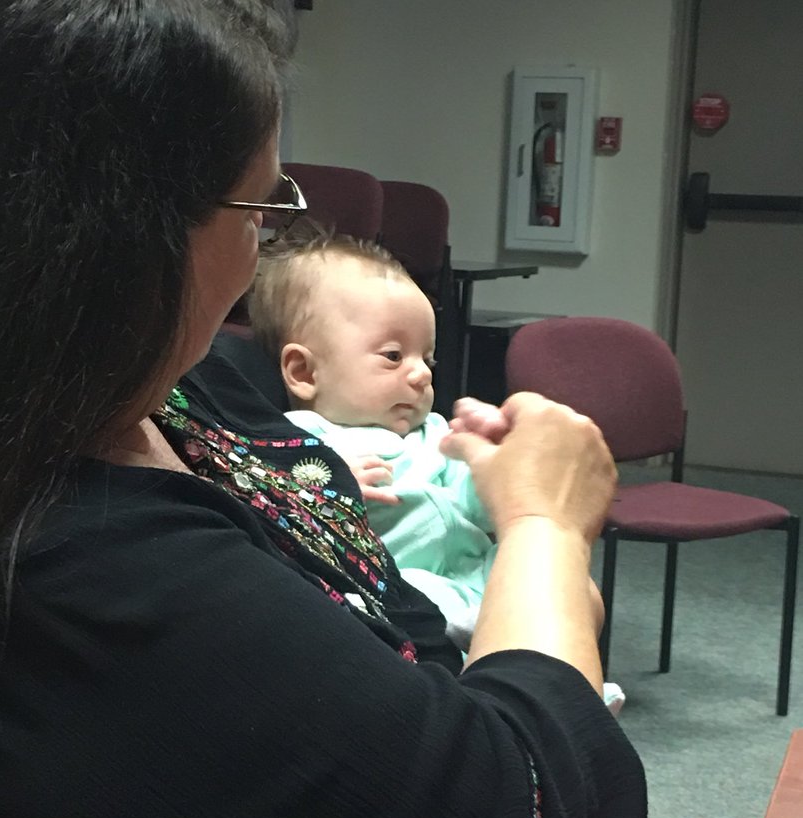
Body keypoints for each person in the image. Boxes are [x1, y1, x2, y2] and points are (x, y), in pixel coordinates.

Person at [0, 3, 727, 818]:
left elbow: (387, 605)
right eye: (259, 209)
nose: (260, 256)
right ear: (117, 235)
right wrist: (546, 525)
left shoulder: (180, 393)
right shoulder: (67, 580)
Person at [250, 235, 625, 709]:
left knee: (544, 575)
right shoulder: (301, 436)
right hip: (404, 578)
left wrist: (493, 463)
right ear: (304, 372)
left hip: (469, 565)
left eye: (426, 358)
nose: (422, 374)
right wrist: (330, 483)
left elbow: (479, 507)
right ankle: (521, 682)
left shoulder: (436, 432)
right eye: (393, 356)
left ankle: (559, 680)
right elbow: (271, 504)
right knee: (429, 601)